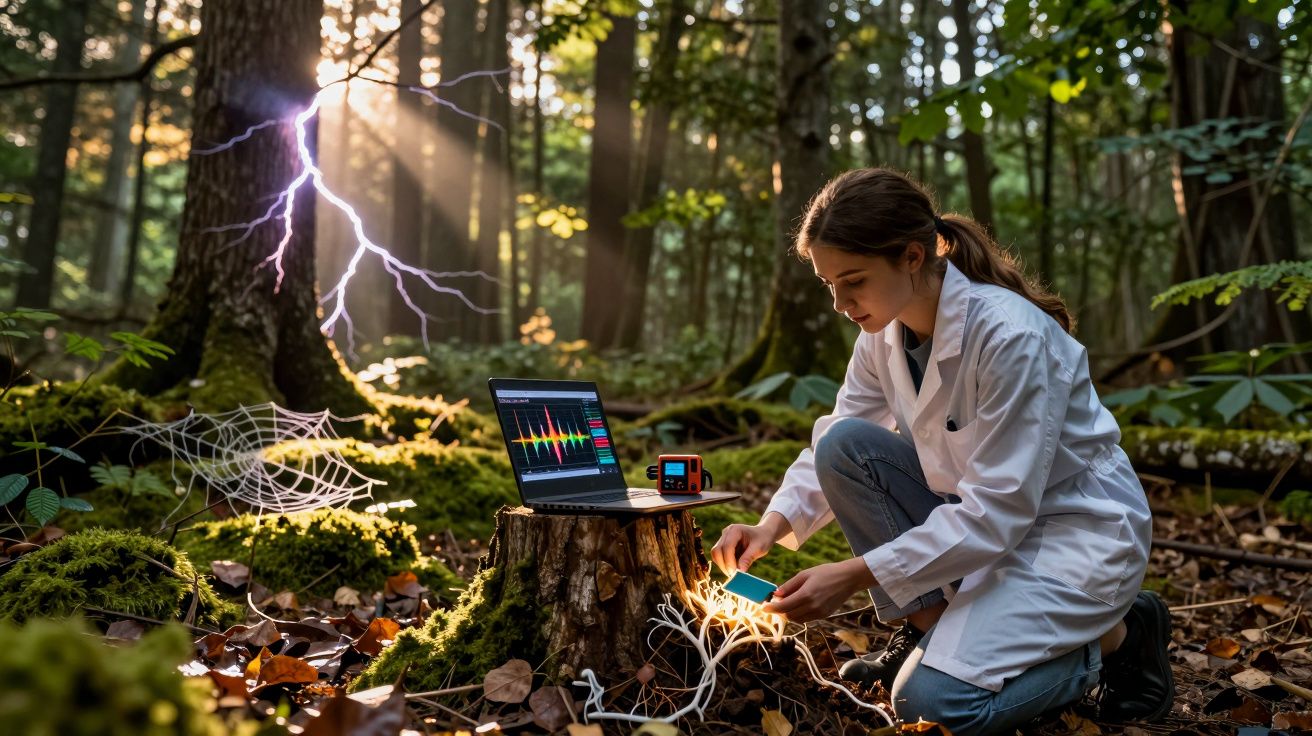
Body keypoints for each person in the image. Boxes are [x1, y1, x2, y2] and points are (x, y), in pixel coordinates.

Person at [710, 168, 1174, 735]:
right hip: (978, 525)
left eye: (852, 280)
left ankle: (1113, 641)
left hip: (1071, 539)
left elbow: (999, 510)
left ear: (911, 256)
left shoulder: (1010, 336)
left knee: (930, 707)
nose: (839, 303)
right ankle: (930, 631)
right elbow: (836, 437)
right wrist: (769, 526)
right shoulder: (881, 334)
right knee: (842, 445)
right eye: (828, 283)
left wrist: (854, 574)